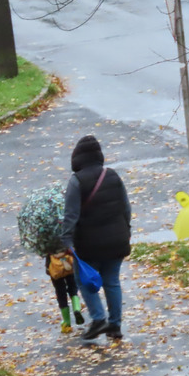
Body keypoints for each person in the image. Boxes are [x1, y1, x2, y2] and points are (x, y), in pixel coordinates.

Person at [60, 135, 132, 340]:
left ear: (77, 158)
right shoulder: (113, 176)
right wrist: (127, 231)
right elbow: (126, 208)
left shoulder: (76, 181)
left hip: (89, 244)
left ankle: (99, 318)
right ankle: (115, 326)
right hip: (117, 240)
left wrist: (66, 241)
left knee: (83, 280)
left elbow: (70, 215)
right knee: (112, 281)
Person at [45, 252, 84, 333]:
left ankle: (67, 322)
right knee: (73, 287)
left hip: (54, 264)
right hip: (68, 260)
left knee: (60, 292)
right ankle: (77, 309)